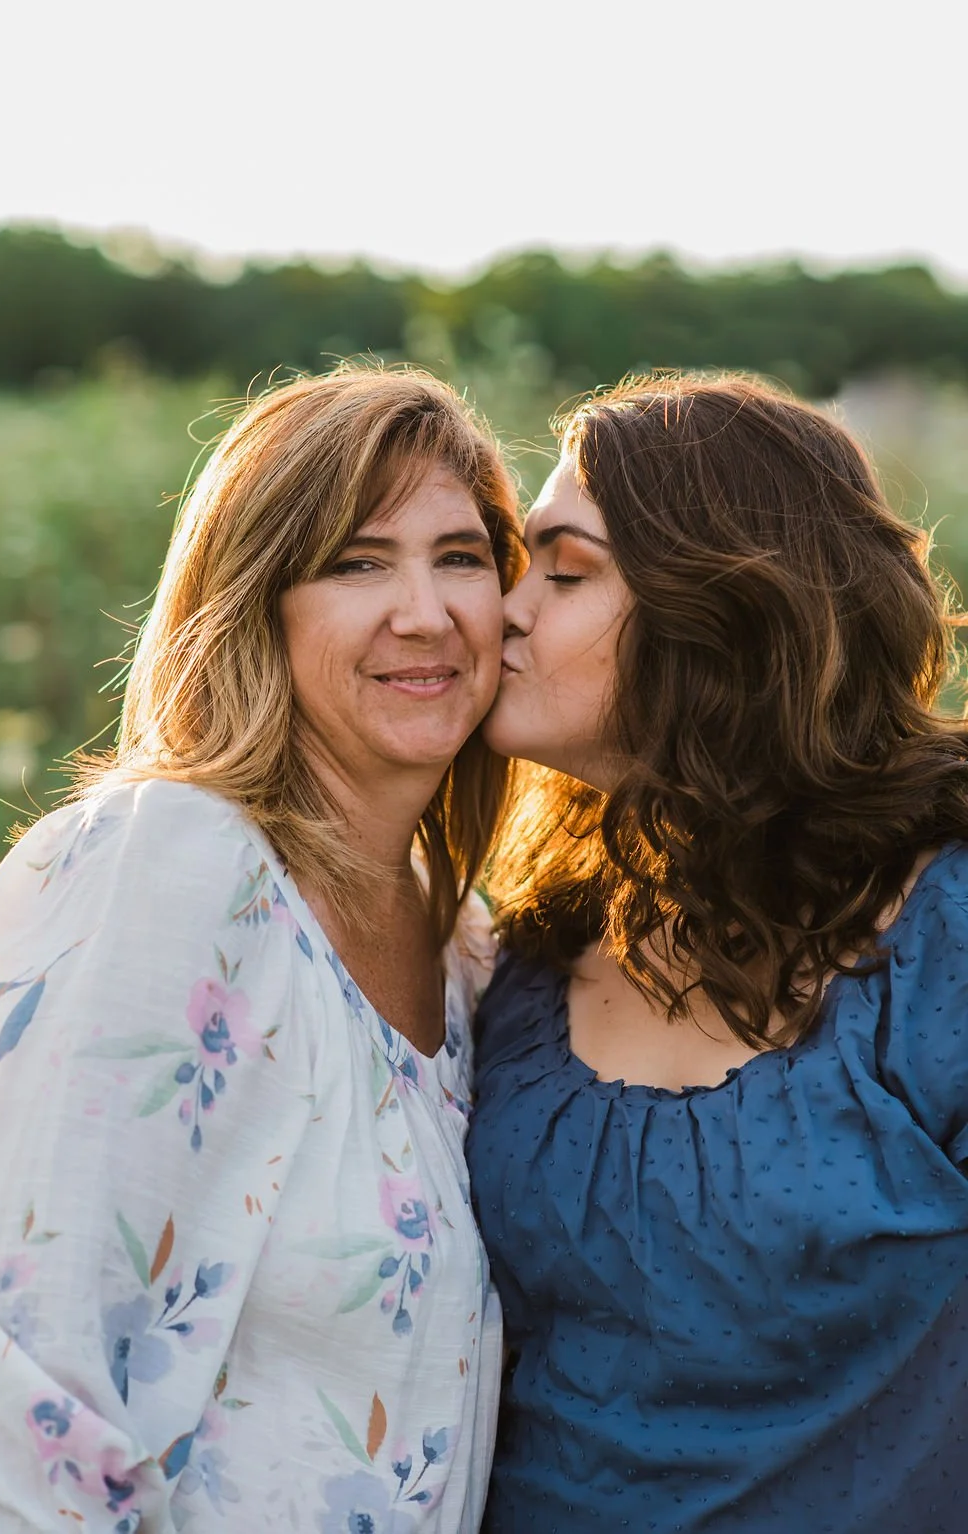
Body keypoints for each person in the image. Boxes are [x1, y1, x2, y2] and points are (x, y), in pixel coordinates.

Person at [0, 364, 523, 1534]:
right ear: (258, 600)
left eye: (459, 556)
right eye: (357, 562)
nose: (425, 610)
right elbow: (5, 1397)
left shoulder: (465, 948)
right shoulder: (166, 862)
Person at [466, 373, 968, 1532]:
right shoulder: (532, 950)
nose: (506, 609)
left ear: (722, 607)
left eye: (566, 570)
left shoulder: (939, 942)